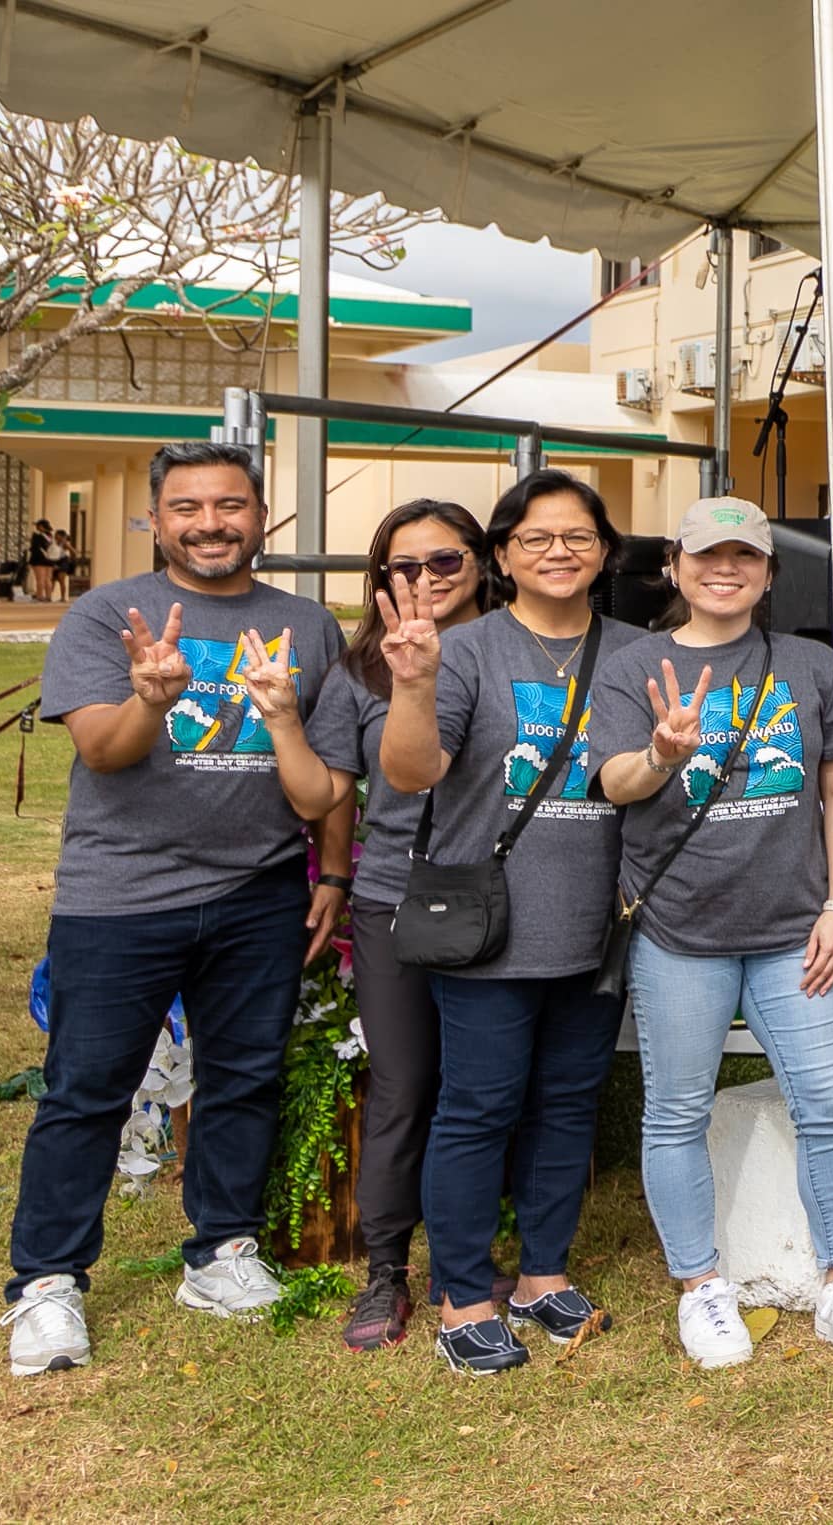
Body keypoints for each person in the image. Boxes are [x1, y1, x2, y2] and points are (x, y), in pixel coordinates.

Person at [7, 441, 341, 1379]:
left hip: (260, 893)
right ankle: (46, 1283)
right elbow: (106, 752)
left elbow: (327, 780)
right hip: (121, 896)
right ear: (156, 518)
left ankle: (222, 1250)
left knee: (242, 1079)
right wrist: (152, 701)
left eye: (229, 505)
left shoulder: (305, 625)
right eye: (187, 507)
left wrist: (335, 875)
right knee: (85, 1089)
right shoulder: (106, 614)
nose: (210, 523)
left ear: (261, 516)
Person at [588, 496, 833, 1371]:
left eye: (745, 557)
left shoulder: (809, 664)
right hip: (679, 931)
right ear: (675, 568)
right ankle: (700, 1286)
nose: (726, 570)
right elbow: (614, 783)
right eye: (706, 556)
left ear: (766, 572)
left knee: (827, 1107)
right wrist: (661, 756)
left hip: (797, 932)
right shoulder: (634, 664)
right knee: (675, 1112)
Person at [367, 471, 639, 1373]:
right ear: (502, 556)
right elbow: (411, 773)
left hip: (599, 924)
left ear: (605, 551)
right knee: (478, 1109)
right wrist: (412, 683)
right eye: (535, 537)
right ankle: (463, 1294)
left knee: (565, 1108)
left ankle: (542, 1276)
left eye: (578, 536)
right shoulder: (468, 649)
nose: (558, 551)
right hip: (488, 928)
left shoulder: (638, 652)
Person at [290, 496, 491, 1353]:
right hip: (397, 903)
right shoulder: (360, 672)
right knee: (404, 1086)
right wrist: (335, 873)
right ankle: (386, 1270)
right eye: (402, 567)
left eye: (443, 561)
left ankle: (469, 1262)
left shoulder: (526, 649)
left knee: (489, 1089)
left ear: (481, 561)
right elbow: (330, 794)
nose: (422, 580)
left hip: (510, 897)